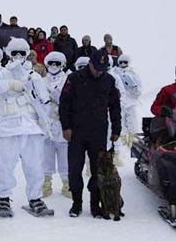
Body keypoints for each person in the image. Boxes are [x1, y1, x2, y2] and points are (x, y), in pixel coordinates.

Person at [0, 38, 53, 218]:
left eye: (21, 53)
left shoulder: (34, 76)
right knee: (5, 165)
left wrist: (44, 122)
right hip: (8, 126)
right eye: (14, 53)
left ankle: (35, 198)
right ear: (9, 54)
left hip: (31, 127)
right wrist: (10, 84)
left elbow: (44, 101)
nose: (17, 56)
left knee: (34, 165)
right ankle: (4, 198)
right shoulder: (2, 73)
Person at [59, 50, 121, 218]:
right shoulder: (74, 78)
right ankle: (76, 204)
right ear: (90, 63)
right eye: (97, 68)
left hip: (98, 132)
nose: (99, 71)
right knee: (75, 169)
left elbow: (115, 106)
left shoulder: (109, 81)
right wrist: (66, 127)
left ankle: (95, 205)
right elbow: (64, 104)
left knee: (97, 170)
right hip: (76, 131)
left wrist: (116, 129)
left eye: (103, 68)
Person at [42, 52, 71, 198]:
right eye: (51, 63)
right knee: (46, 154)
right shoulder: (40, 80)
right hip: (46, 122)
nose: (54, 66)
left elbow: (71, 99)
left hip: (62, 122)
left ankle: (67, 183)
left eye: (57, 64)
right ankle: (46, 182)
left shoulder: (68, 79)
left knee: (64, 154)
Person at [111, 54, 142, 146]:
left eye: (125, 62)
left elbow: (139, 90)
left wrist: (133, 87)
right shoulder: (115, 73)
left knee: (133, 125)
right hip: (120, 103)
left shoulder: (133, 73)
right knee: (121, 126)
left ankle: (135, 145)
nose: (123, 64)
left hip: (131, 103)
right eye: (121, 62)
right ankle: (123, 147)